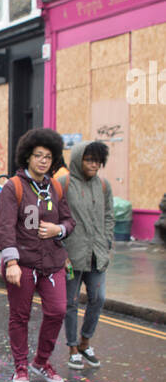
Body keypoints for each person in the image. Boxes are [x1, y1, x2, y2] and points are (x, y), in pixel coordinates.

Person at [0, 128, 74, 382]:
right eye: (38, 155)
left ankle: (41, 362)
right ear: (27, 157)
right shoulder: (13, 187)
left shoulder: (55, 187)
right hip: (23, 263)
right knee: (20, 316)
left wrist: (57, 230)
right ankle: (20, 366)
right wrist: (12, 263)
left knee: (57, 311)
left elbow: (68, 220)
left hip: (52, 263)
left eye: (48, 157)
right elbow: (5, 227)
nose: (43, 161)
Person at [61, 141, 113, 369]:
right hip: (71, 255)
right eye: (89, 159)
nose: (94, 165)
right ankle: (72, 347)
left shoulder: (103, 184)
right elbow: (53, 218)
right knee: (70, 302)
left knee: (98, 298)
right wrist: (60, 250)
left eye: (98, 161)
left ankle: (85, 341)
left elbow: (109, 215)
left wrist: (107, 240)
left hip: (97, 254)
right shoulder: (63, 183)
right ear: (78, 159)